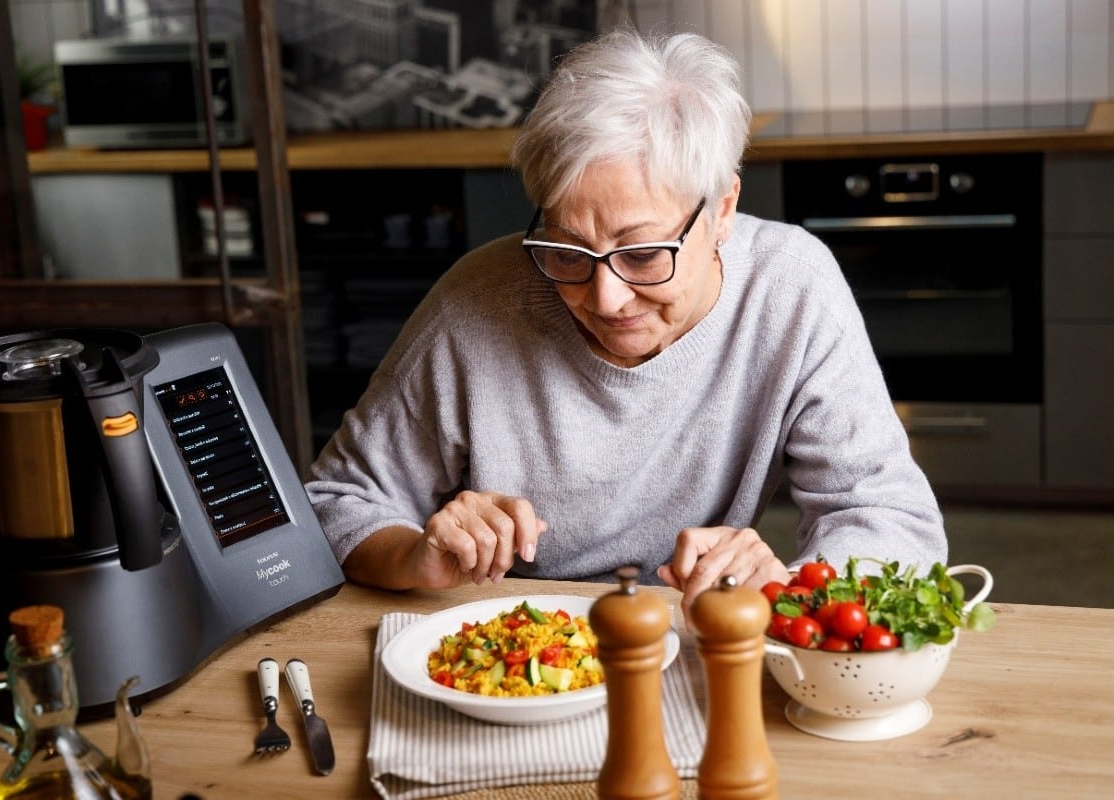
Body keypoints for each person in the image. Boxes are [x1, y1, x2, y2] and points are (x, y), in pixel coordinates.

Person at [305, 25, 947, 625]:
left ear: (723, 208)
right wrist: (415, 554)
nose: (606, 298)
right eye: (567, 251)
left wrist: (790, 586)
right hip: (516, 632)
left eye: (642, 254)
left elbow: (888, 514)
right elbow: (333, 501)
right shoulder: (477, 301)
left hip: (689, 631)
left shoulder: (791, 286)